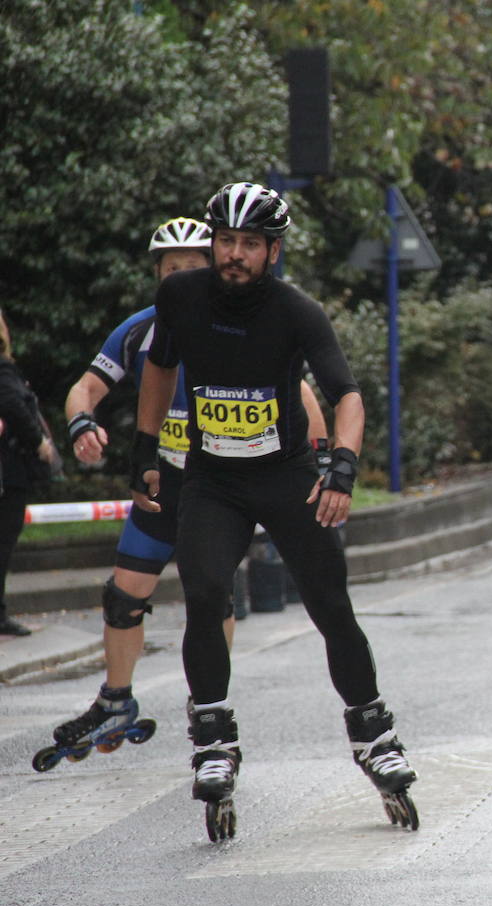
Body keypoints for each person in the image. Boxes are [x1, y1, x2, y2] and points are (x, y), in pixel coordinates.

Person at [132, 182, 417, 834]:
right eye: (226, 241)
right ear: (212, 243)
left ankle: (374, 735)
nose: (235, 255)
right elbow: (159, 366)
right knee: (204, 593)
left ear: (273, 250)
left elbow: (346, 395)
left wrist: (341, 466)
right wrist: (145, 446)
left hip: (286, 475)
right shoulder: (181, 296)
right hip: (214, 481)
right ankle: (213, 740)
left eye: (250, 245)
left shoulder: (296, 311)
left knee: (330, 606)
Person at [50, 217, 329, 759]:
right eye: (170, 268)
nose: (180, 276)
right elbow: (85, 387)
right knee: (122, 594)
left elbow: (302, 395)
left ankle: (210, 699)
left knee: (212, 596)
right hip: (163, 487)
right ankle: (115, 698)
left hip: (219, 484)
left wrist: (310, 467)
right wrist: (83, 425)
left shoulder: (236, 319)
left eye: (191, 266)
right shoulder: (139, 330)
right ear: (159, 275)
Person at [0, 310, 59, 637]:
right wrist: (39, 442)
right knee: (3, 543)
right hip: (7, 473)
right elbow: (11, 403)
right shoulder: (2, 367)